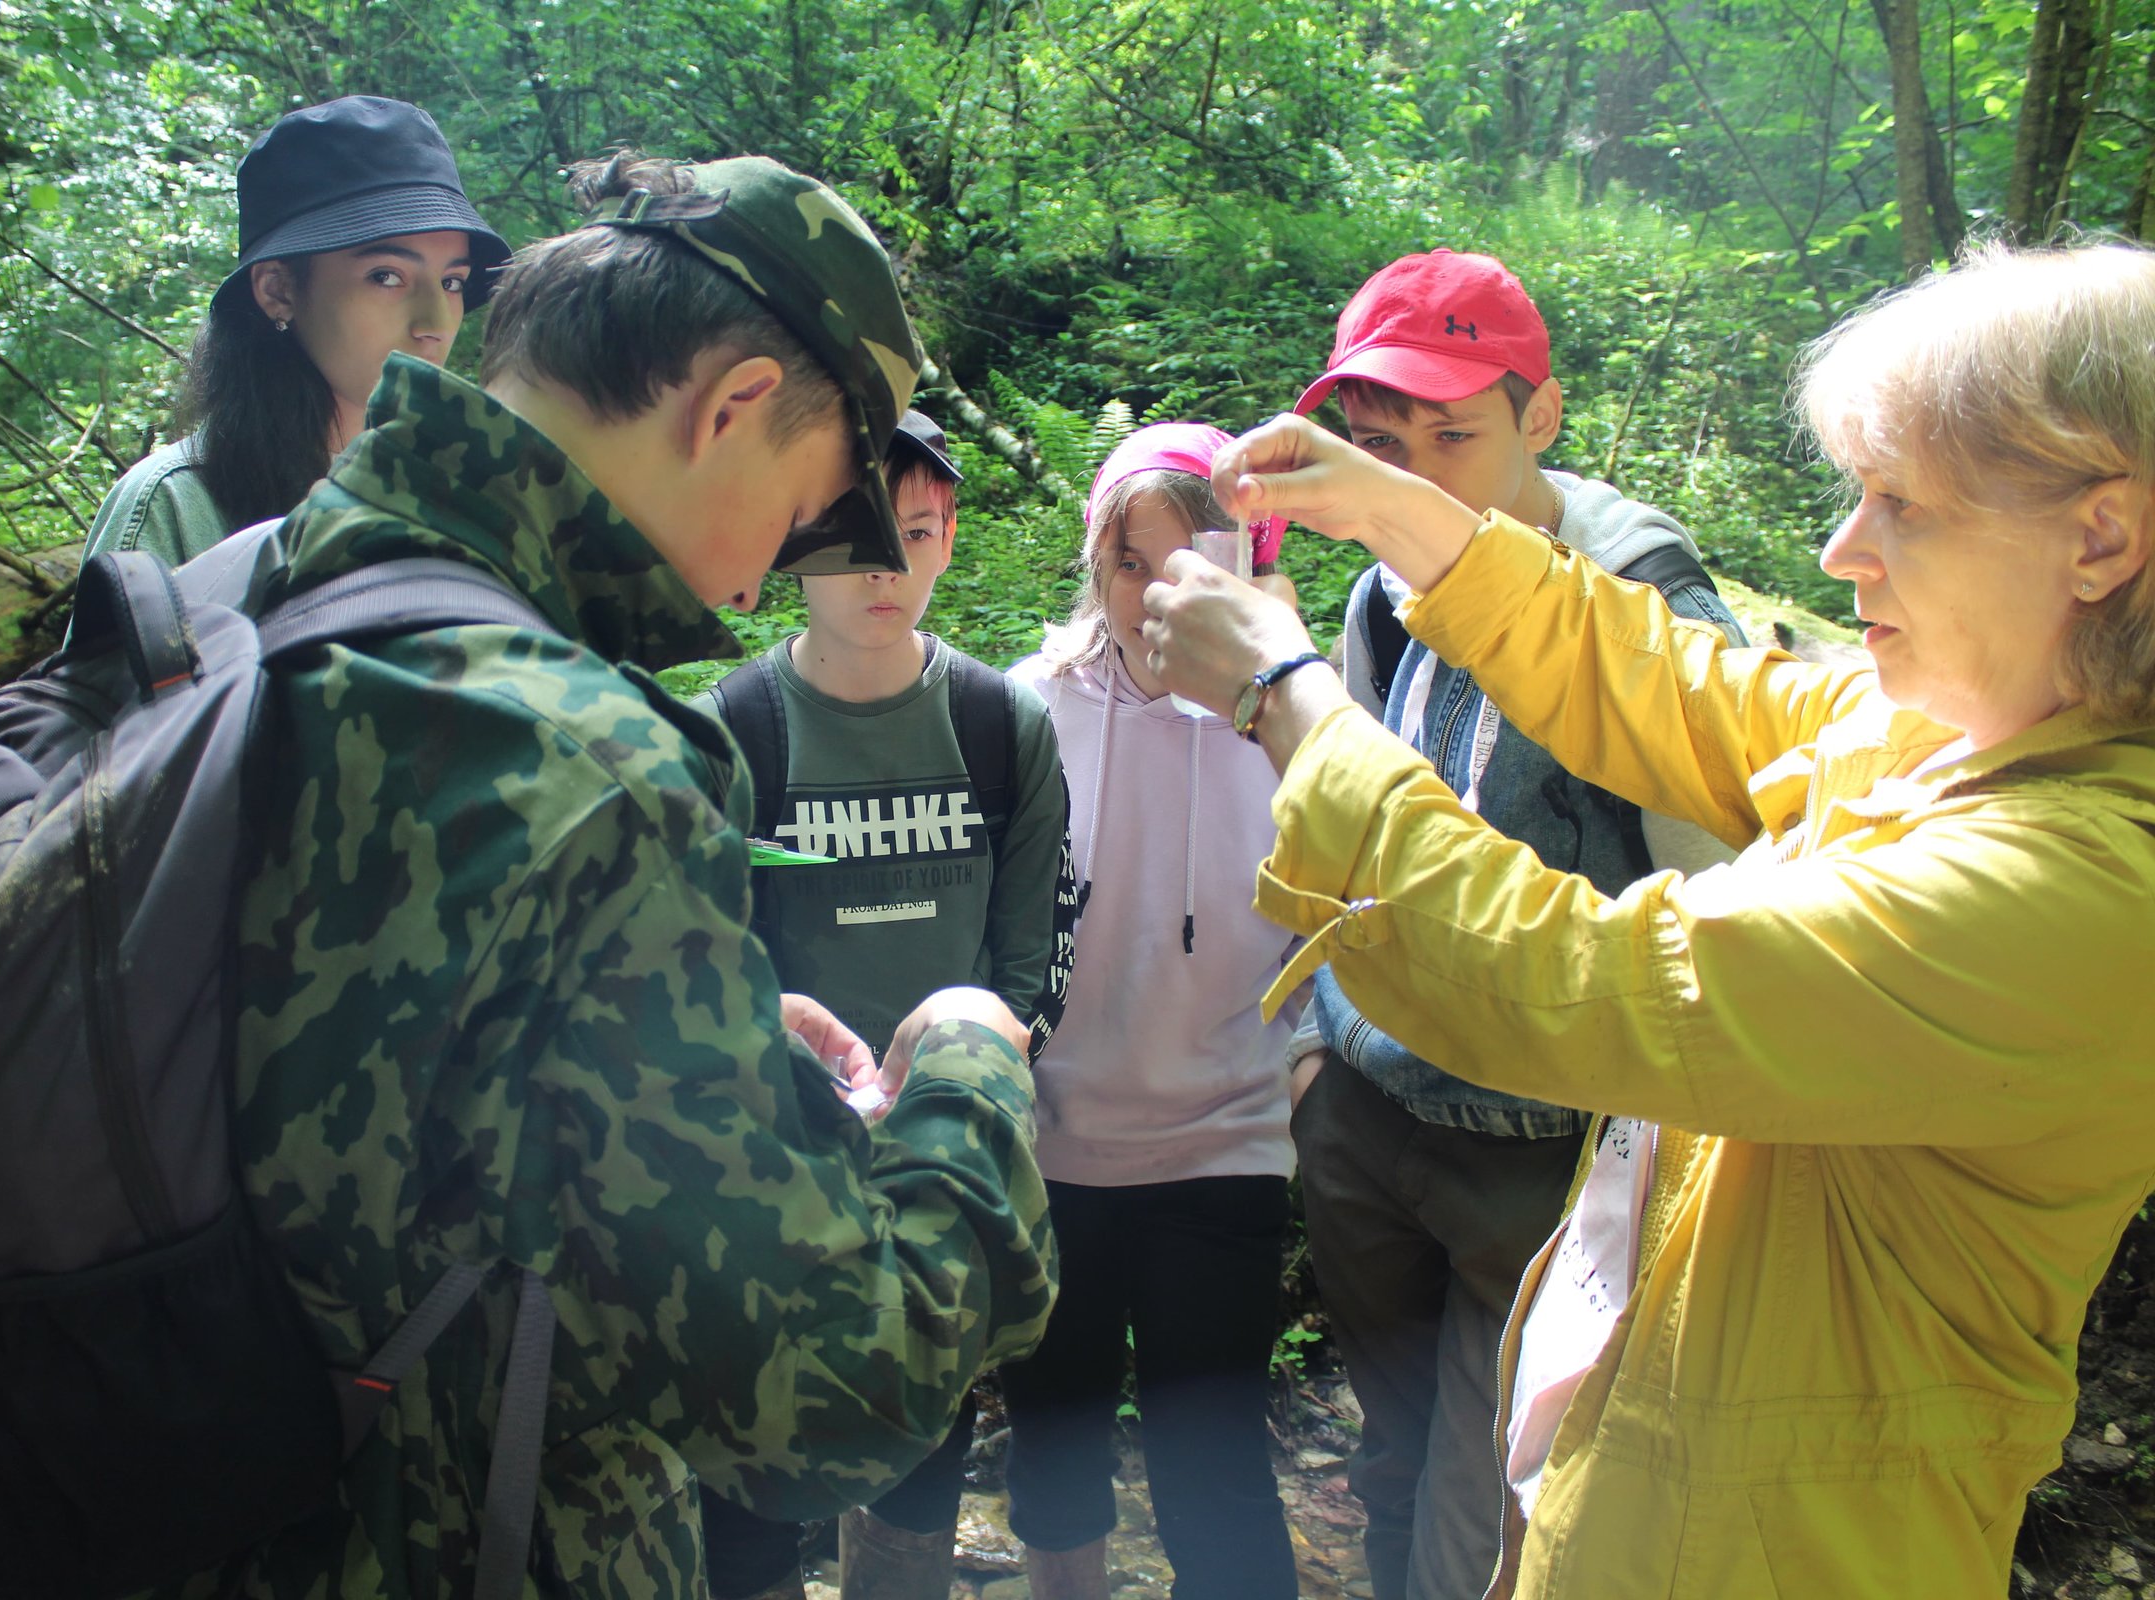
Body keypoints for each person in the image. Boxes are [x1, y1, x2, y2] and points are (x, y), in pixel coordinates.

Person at [1139, 239, 2155, 1599]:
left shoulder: (2081, 889)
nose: (1841, 549)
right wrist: (1404, 515)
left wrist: (1284, 696)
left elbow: (1580, 978)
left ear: (2100, 538)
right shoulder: (1963, 731)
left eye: (1900, 504)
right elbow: (1678, 687)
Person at [195, 150, 1059, 1600]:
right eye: (812, 504)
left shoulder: (246, 592)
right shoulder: (596, 774)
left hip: (192, 1500)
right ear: (727, 409)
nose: (772, 575)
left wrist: (697, 1034)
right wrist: (971, 1067)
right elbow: (832, 1400)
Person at [1277, 248, 1746, 1600]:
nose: (1410, 475)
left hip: (1538, 1151)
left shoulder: (1637, 593)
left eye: (1452, 433)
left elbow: (1721, 902)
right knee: (1394, 1452)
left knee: (1488, 1522)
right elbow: (1353, 807)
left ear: (1540, 416)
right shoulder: (1380, 583)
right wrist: (1318, 1044)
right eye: (1376, 441)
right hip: (1370, 1117)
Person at [690, 408, 1077, 1600]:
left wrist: (961, 1074)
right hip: (770, 1162)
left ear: (950, 539)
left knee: (918, 1464)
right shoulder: (732, 730)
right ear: (795, 545)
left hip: (939, 1154)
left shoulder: (999, 726)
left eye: (913, 533)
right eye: (854, 537)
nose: (885, 569)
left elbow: (1036, 960)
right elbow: (692, 957)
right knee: (745, 1485)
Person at [1000, 423, 1304, 1600]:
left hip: (1224, 1142)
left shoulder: (1296, 716)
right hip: (1054, 1146)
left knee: (1215, 1467)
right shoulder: (1028, 708)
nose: (1153, 596)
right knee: (1057, 1444)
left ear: (1237, 566)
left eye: (1188, 565)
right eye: (1130, 563)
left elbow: (1350, 906)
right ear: (1093, 560)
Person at [82, 96, 509, 568]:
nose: (434, 323)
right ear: (279, 290)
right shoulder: (175, 507)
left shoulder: (463, 493)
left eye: (452, 283)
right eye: (386, 276)